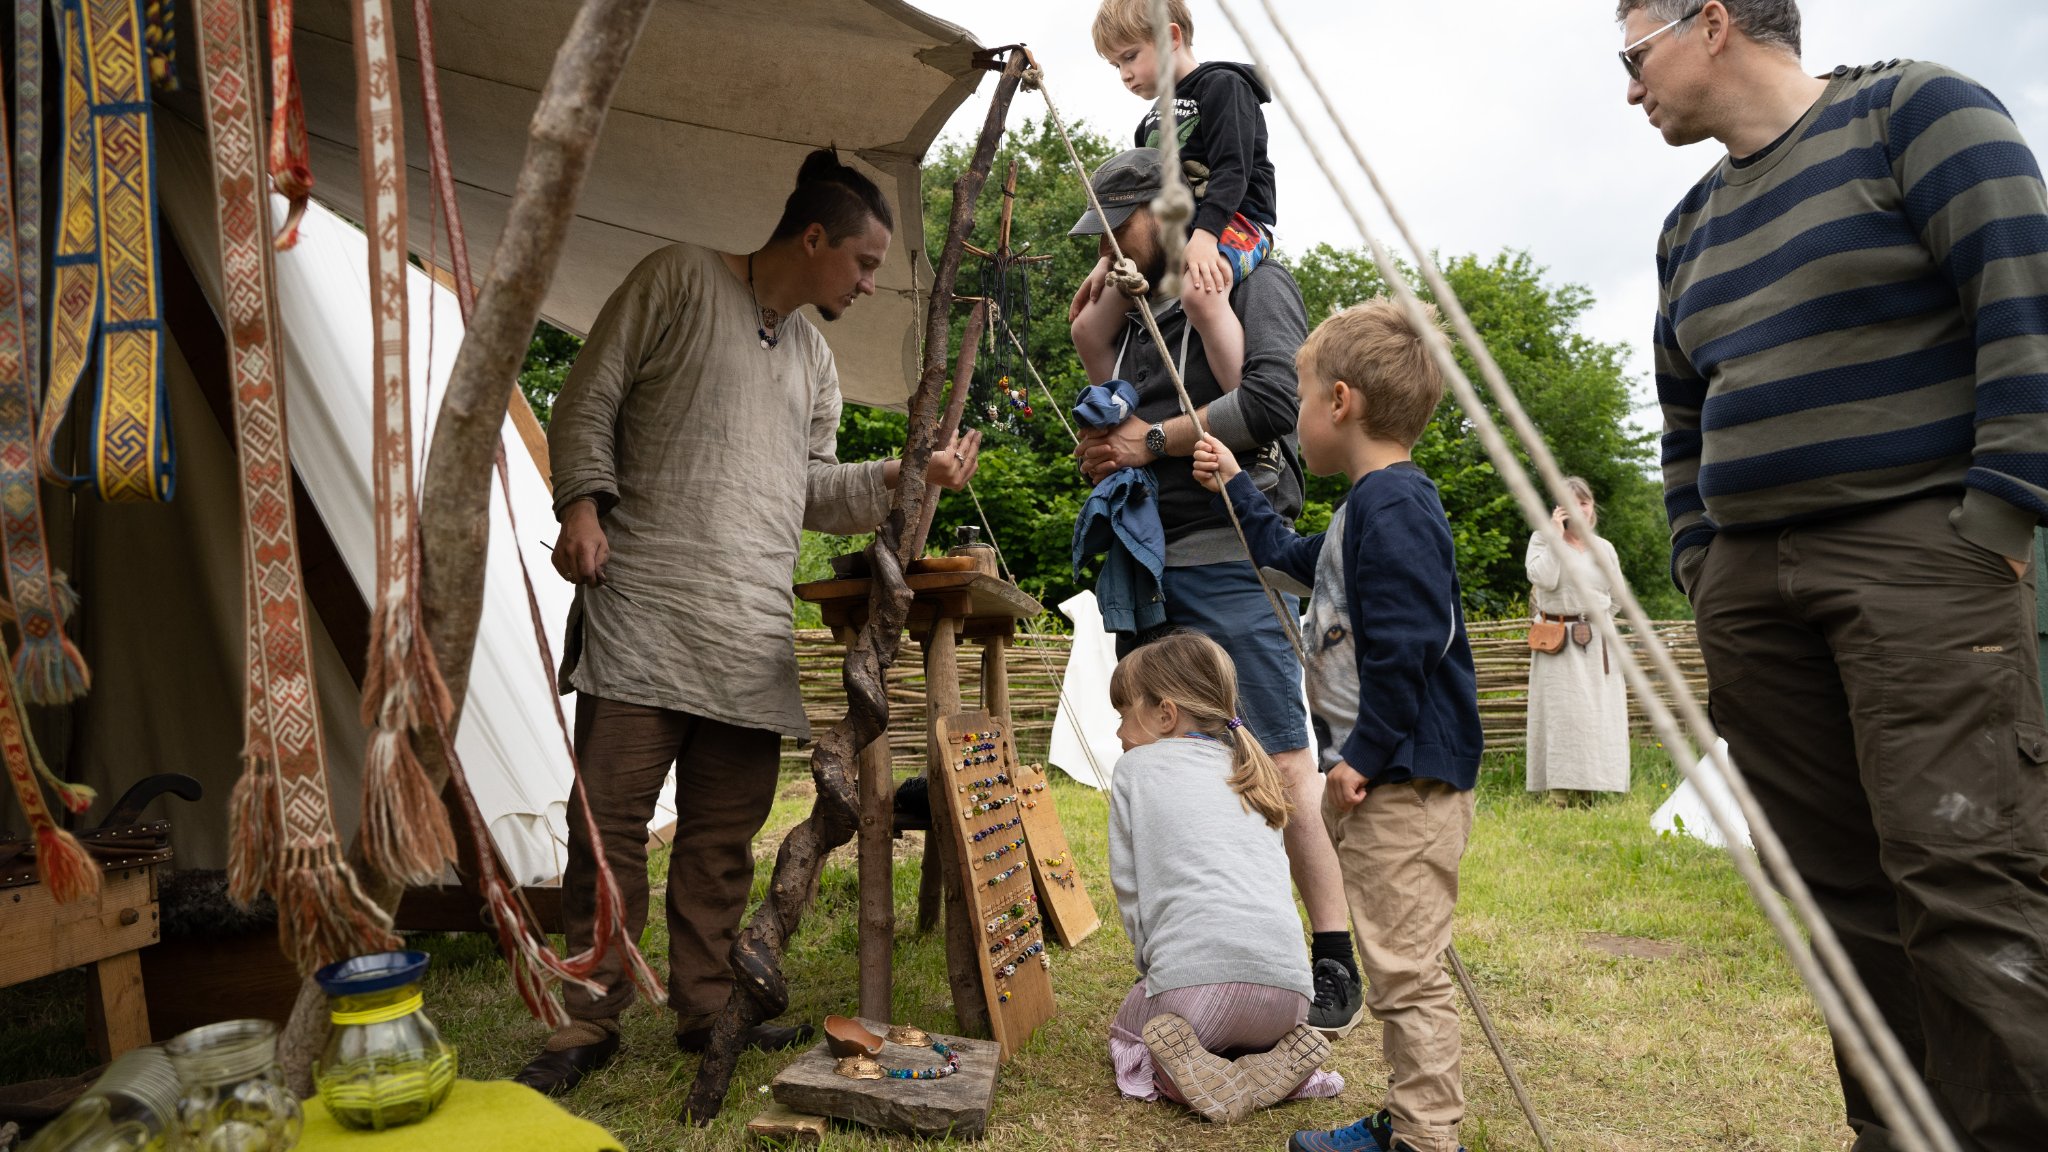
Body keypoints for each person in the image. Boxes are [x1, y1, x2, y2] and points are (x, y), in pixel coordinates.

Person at [1621, 1, 2048, 1146]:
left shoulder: (1917, 113)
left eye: (1633, 54)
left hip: (1918, 559)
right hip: (1751, 594)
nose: (1627, 88)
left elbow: (2025, 312)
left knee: (1962, 876)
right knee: (1836, 897)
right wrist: (1701, 564)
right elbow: (1680, 425)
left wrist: (1995, 521)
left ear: (1712, 22)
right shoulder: (1685, 227)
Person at [514, 150, 982, 1096]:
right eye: (862, 262)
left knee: (722, 840)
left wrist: (904, 476)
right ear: (812, 238)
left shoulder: (814, 359)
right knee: (607, 829)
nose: (869, 283)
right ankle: (586, 1019)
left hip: (746, 633)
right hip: (644, 613)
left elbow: (810, 488)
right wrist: (582, 507)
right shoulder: (679, 279)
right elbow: (588, 396)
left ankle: (705, 1005)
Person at [1068, 147, 1364, 1035]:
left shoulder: (1256, 281)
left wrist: (1148, 442)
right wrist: (1108, 449)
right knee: (1163, 760)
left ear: (1160, 212)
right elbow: (1119, 413)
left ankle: (1332, 955)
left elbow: (1272, 403)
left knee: (1279, 756)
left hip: (1234, 551)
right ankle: (1195, 952)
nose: (1107, 246)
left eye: (1116, 227)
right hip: (1149, 557)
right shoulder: (1134, 312)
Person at [1194, 297, 1484, 1152]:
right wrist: (1237, 483)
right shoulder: (1369, 509)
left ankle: (1423, 1139)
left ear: (1341, 402)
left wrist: (1363, 755)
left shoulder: (1395, 507)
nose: (1296, 417)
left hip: (1401, 776)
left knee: (1405, 972)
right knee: (1398, 959)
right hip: (1386, 776)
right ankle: (1412, 1117)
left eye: (1302, 395)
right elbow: (1290, 559)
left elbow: (1411, 644)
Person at [1105, 630, 1344, 1123]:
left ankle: (1184, 1077)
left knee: (1133, 1029)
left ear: (1166, 714)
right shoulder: (1253, 771)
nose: (1120, 733)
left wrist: (1153, 969)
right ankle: (1271, 1063)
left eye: (1124, 714)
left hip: (1192, 996)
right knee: (1228, 1014)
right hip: (1290, 995)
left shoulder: (1135, 769)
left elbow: (1131, 890)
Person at [1071, 0, 1277, 395]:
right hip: (1171, 233)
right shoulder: (1147, 124)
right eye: (1115, 66)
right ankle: (1119, 418)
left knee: (1200, 294)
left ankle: (1249, 410)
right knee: (1087, 326)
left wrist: (1206, 236)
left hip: (1236, 221)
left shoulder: (1223, 86)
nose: (1125, 75)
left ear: (1171, 38)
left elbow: (1233, 170)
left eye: (1130, 57)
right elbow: (1139, 208)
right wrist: (1109, 259)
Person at [1523, 477, 1629, 804]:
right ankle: (1558, 794)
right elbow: (1543, 579)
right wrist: (1555, 537)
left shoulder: (1604, 548)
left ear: (1591, 507)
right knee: (1563, 716)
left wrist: (1593, 620)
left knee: (1596, 715)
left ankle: (1589, 793)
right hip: (1557, 642)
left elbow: (1617, 597)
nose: (1578, 509)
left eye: (1583, 502)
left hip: (1597, 643)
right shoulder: (1542, 540)